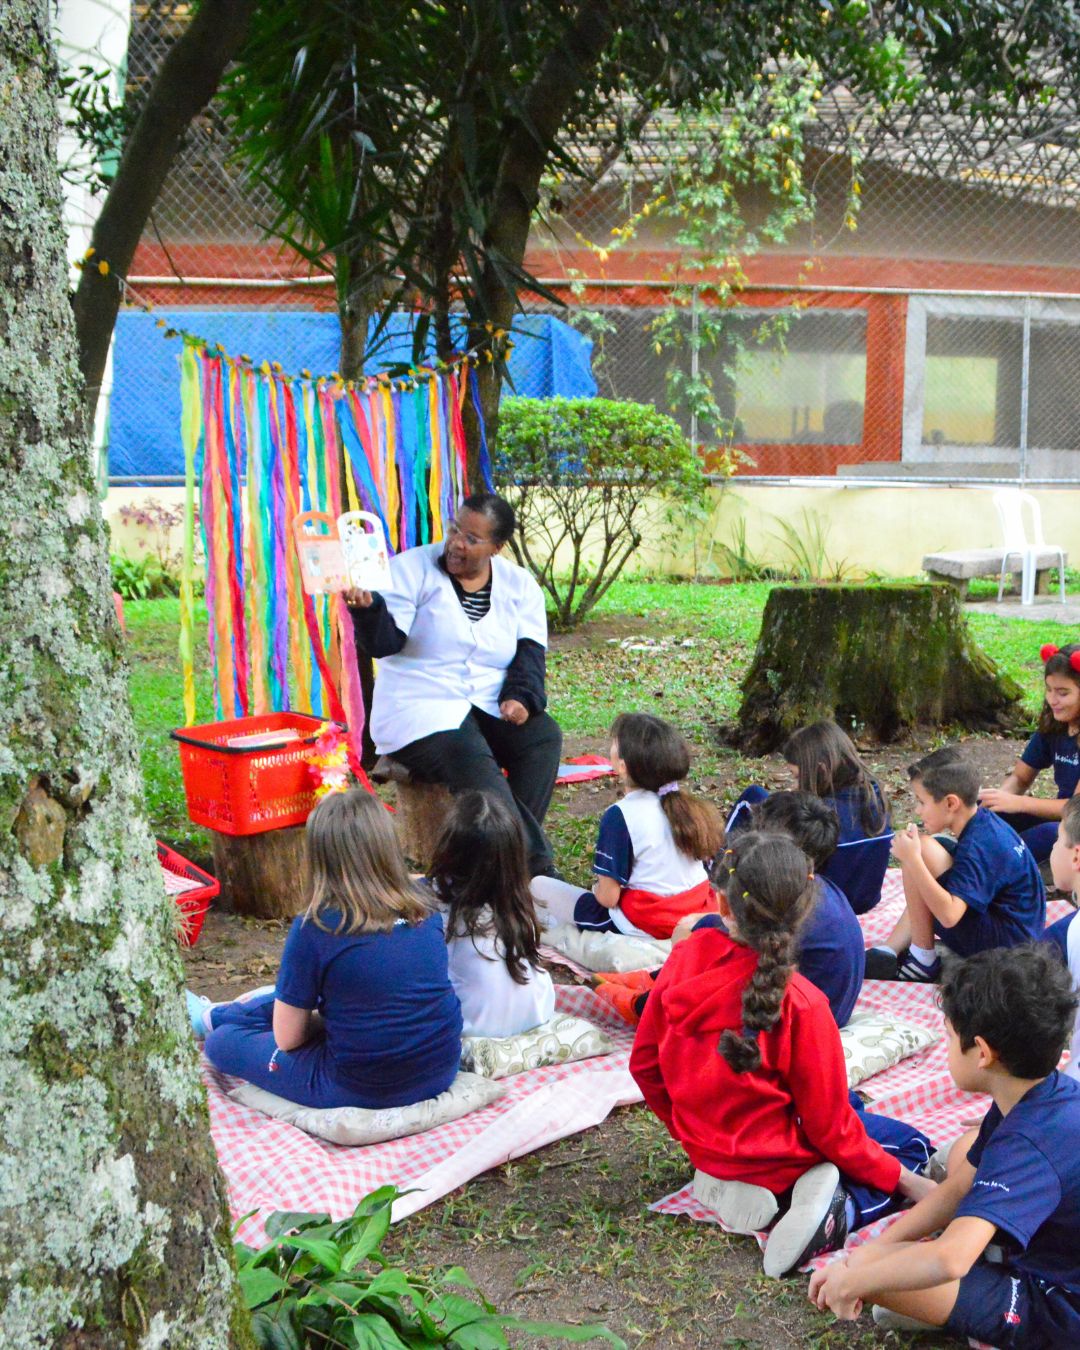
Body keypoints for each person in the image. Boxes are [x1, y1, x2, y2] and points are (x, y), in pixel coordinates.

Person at [630, 832, 934, 1279]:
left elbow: (644, 1065)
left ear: (722, 905)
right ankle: (835, 1212)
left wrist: (689, 1133)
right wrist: (913, 1184)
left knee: (854, 1110)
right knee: (909, 1147)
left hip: (706, 1146)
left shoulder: (683, 957)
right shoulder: (804, 1005)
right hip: (778, 1158)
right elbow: (830, 1131)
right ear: (807, 909)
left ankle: (730, 1180)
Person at [808, 945, 1080, 1348]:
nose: (946, 1046)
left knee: (886, 1281)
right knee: (881, 1256)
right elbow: (957, 1189)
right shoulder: (1042, 1094)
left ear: (983, 1053)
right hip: (1054, 1252)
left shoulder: (1026, 1144)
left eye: (951, 1037)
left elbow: (950, 1258)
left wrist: (854, 1280)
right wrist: (877, 1249)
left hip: (1060, 1303)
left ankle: (980, 1319)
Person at [187, 789, 462, 1109]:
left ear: (319, 857)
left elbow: (287, 1039)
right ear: (388, 845)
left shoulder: (315, 926)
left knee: (222, 1043)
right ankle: (212, 1015)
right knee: (285, 1002)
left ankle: (210, 1021)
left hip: (361, 1088)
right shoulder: (425, 899)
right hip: (441, 1068)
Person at [346, 492, 562, 878]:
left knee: (543, 738)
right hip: (420, 707)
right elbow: (384, 643)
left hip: (486, 702)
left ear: (496, 547)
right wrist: (368, 611)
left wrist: (521, 697)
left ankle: (497, 859)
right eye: (455, 530)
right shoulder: (410, 570)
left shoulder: (519, 586)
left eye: (472, 539)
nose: (456, 543)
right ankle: (533, 871)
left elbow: (530, 654)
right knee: (472, 758)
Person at [597, 790, 864, 1027]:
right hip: (822, 1002)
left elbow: (744, 937)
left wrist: (699, 927)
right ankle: (652, 983)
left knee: (707, 941)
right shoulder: (807, 885)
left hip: (806, 1015)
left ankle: (648, 1006)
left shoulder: (786, 895)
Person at [530, 713, 723, 939]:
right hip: (696, 910)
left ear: (622, 766)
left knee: (538, 886)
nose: (610, 746)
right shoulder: (689, 806)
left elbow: (607, 899)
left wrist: (596, 890)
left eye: (614, 743)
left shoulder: (621, 815)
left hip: (649, 922)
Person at [865, 747, 1046, 983]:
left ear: (951, 803)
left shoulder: (978, 847)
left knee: (921, 850)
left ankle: (922, 959)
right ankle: (891, 949)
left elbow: (949, 916)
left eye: (921, 802)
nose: (918, 810)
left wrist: (912, 861)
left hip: (1004, 951)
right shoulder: (983, 822)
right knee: (933, 846)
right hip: (1019, 934)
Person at [726, 721, 891, 915]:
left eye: (796, 776)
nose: (795, 785)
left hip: (820, 904)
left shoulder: (820, 818)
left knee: (754, 795)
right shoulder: (876, 796)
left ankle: (720, 864)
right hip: (866, 900)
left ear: (820, 770)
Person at [429, 790, 556, 1038]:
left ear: (449, 853)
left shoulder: (441, 912)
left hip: (475, 1030)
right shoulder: (518, 902)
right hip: (537, 1014)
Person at [980, 642, 1080, 864]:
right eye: (1049, 689)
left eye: (1063, 693)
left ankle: (998, 866)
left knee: (1050, 834)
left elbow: (1075, 809)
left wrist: (1018, 802)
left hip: (1074, 823)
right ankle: (985, 860)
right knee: (990, 815)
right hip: (1066, 822)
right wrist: (995, 804)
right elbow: (1020, 777)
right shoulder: (1054, 727)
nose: (1052, 700)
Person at [1043, 795, 1080, 1083]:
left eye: (1057, 840)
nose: (1053, 848)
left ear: (1076, 856)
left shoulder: (1065, 935)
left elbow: (1023, 1022)